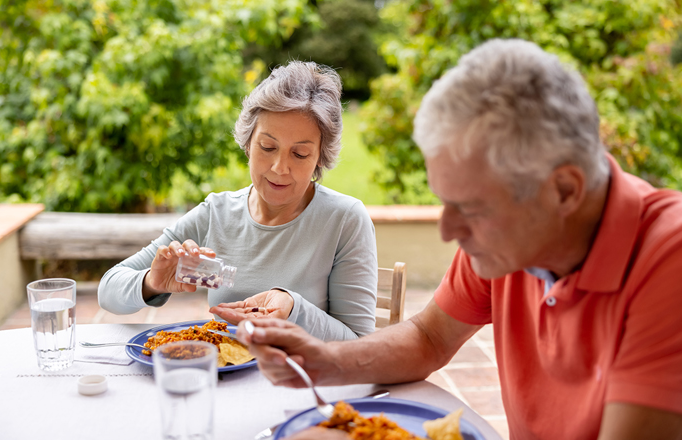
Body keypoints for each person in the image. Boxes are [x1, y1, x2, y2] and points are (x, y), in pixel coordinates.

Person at [237, 39, 682, 439]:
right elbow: (429, 338)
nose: (448, 229)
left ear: (564, 190)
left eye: (471, 207)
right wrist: (322, 361)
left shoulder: (668, 261)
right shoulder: (510, 237)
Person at [98, 61, 378, 341]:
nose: (280, 168)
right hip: (226, 378)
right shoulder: (216, 214)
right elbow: (108, 290)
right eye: (267, 147)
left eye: (300, 154)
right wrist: (151, 282)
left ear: (320, 158)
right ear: (247, 143)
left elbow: (360, 345)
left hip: (302, 380)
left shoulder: (344, 220)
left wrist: (292, 310)